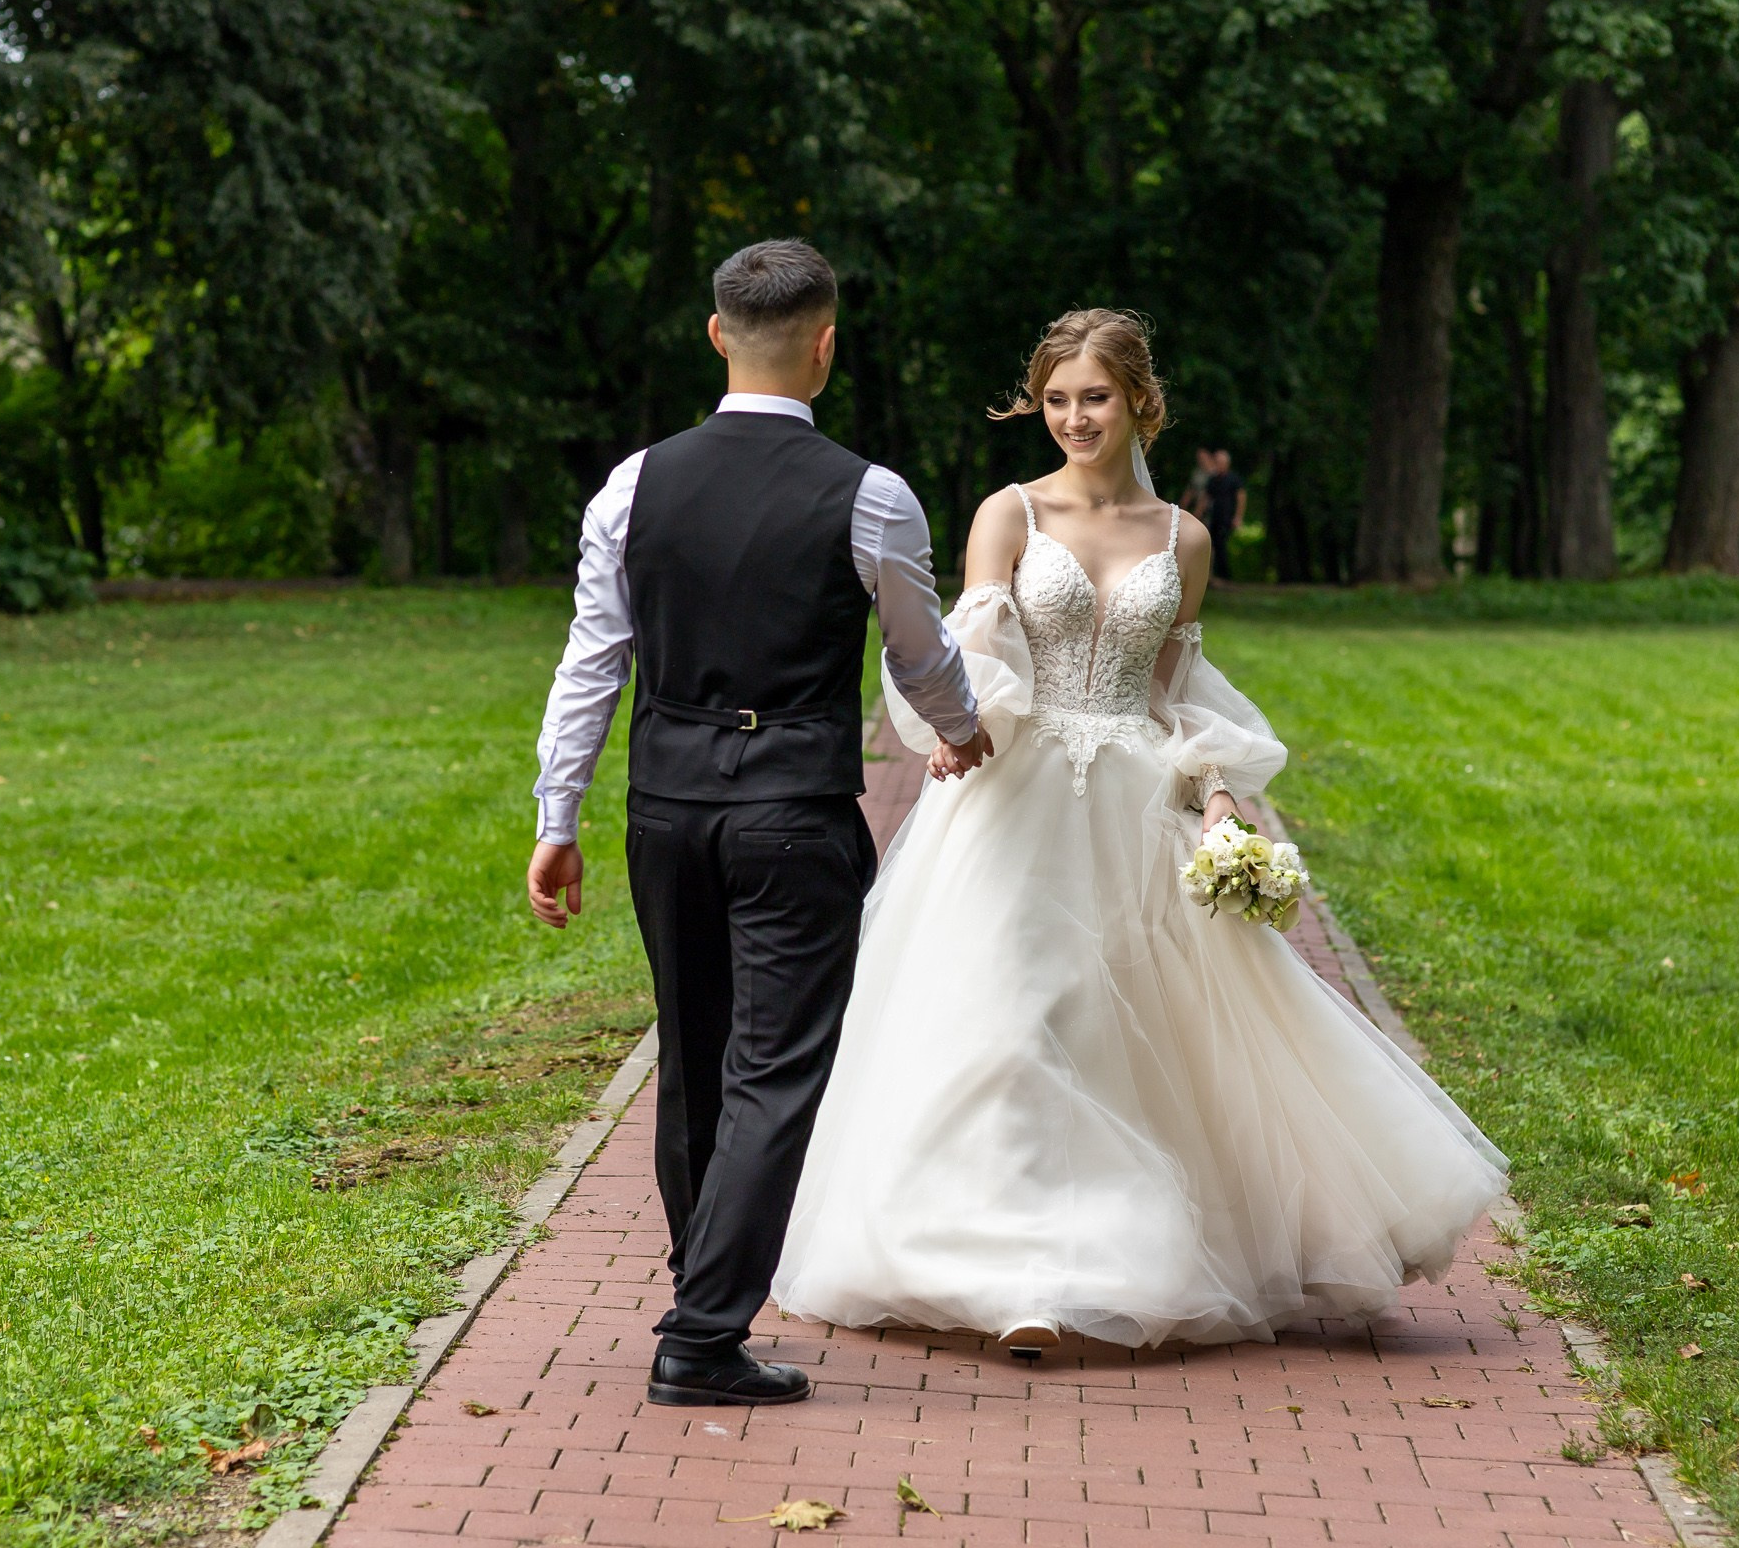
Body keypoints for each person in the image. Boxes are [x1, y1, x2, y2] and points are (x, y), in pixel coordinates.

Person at [771, 309, 1506, 1355]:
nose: (1073, 417)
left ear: (1139, 402)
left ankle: (1111, 1255)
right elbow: (970, 651)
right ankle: (1010, 1272)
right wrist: (959, 726)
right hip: (1011, 796)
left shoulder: (1183, 539)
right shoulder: (1009, 515)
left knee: (1123, 1041)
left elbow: (1174, 691)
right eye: (1058, 398)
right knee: (1011, 1020)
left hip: (1130, 799)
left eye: (1094, 397)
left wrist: (1214, 798)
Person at [525, 238, 990, 1407]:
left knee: (693, 1056)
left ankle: (703, 1287)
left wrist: (555, 814)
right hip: (791, 807)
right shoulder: (871, 496)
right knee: (773, 1069)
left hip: (666, 806)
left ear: (716, 332)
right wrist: (965, 728)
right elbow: (921, 655)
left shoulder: (633, 484)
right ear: (827, 345)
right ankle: (702, 1334)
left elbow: (593, 663)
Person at [1199, 447, 1245, 581]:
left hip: (1227, 517)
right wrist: (1197, 514)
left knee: (1220, 544)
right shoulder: (1213, 480)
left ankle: (1224, 575)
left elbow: (1241, 497)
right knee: (1212, 545)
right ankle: (1214, 576)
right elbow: (1206, 498)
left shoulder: (1234, 479)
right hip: (1215, 517)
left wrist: (1238, 517)